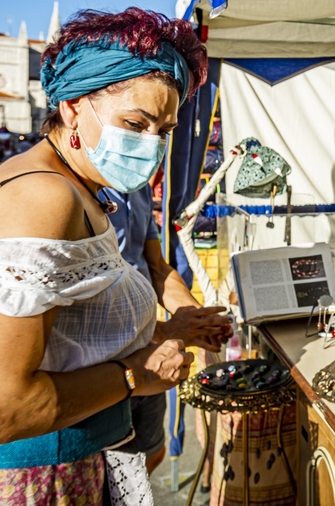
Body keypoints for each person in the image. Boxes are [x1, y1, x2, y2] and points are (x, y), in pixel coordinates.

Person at [0, 8, 232, 504]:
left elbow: (70, 340)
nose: (151, 145)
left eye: (164, 130)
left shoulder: (83, 188)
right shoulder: (45, 199)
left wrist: (168, 332)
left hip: (101, 452)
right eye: (135, 122)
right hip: (42, 476)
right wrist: (135, 375)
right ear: (72, 107)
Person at [102, 182, 227, 475]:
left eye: (164, 133)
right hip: (103, 366)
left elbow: (156, 267)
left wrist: (195, 317)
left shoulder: (138, 188)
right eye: (143, 131)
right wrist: (165, 331)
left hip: (148, 355)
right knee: (104, 472)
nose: (153, 139)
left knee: (149, 455)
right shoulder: (79, 191)